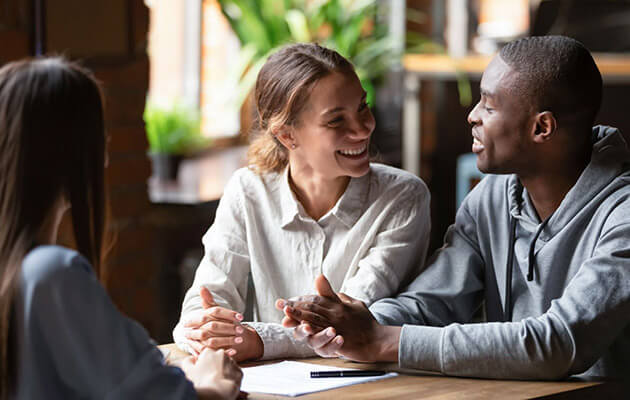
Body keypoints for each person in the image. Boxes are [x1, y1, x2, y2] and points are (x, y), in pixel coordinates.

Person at [279, 35, 630, 380]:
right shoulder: (491, 197)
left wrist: (382, 341)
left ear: (542, 127)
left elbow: (557, 344)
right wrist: (351, 323)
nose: (472, 116)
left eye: (489, 106)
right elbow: (431, 301)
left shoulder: (623, 213)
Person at [0, 57, 242, 400]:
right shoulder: (51, 273)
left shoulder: (22, 271)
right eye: (100, 137)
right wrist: (214, 385)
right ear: (76, 154)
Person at [173, 43, 431, 361]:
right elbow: (205, 300)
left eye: (362, 107)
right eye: (337, 120)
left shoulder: (403, 197)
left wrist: (259, 341)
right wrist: (202, 327)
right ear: (286, 136)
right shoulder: (247, 190)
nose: (364, 128)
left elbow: (349, 325)